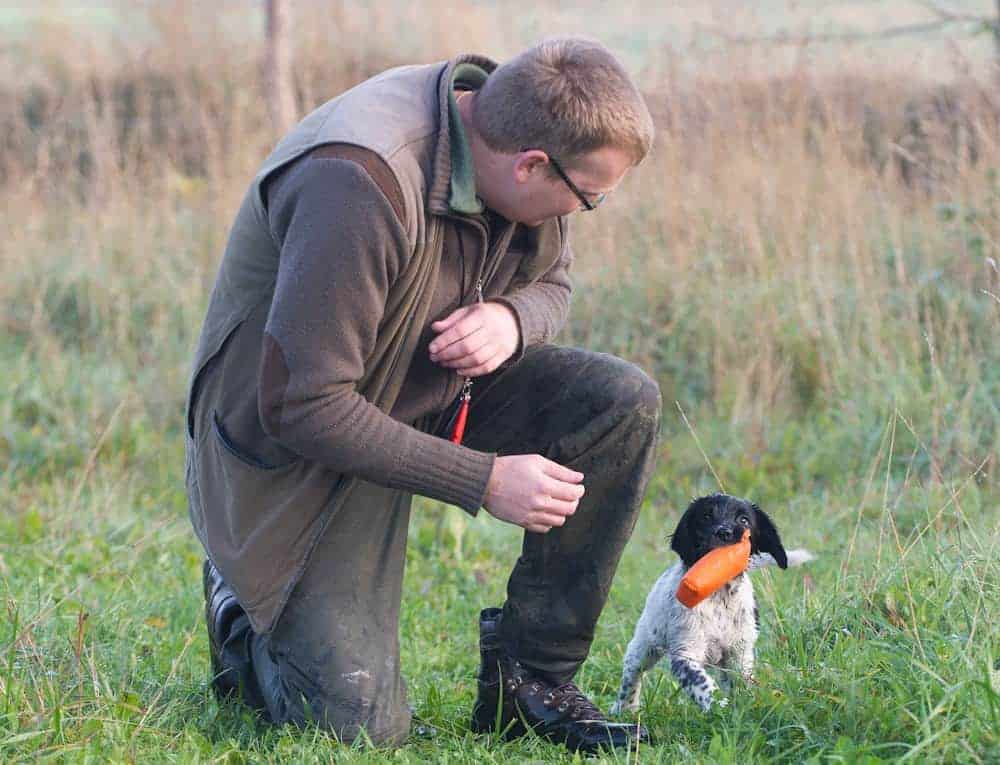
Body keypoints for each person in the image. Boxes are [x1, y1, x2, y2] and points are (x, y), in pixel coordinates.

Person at [185, 36, 661, 753]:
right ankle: (240, 603)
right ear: (533, 165)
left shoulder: (519, 142)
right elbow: (302, 406)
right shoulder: (359, 181)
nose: (585, 208)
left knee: (619, 402)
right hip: (295, 452)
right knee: (357, 730)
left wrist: (512, 318)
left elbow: (552, 282)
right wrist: (485, 480)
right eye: (589, 196)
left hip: (423, 392)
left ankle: (531, 682)